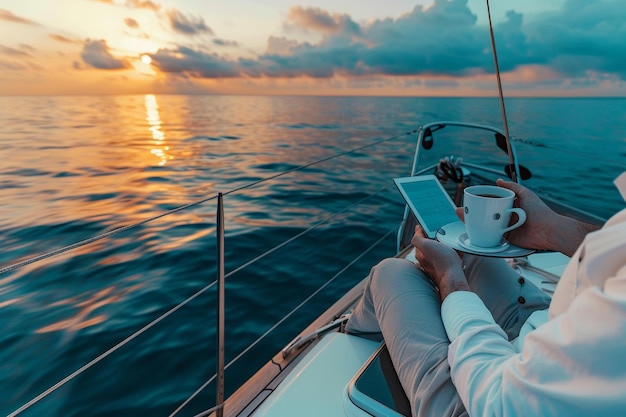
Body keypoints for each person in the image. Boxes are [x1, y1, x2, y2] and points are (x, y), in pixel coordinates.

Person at [346, 172, 626, 417]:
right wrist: (551, 229)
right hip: (549, 325)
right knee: (472, 253)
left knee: (392, 272)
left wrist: (451, 281)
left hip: (485, 396)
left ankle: (349, 334)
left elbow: (498, 403)